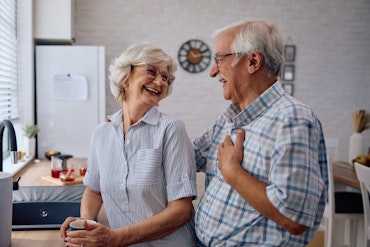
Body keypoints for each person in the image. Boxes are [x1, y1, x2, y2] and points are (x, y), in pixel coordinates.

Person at [194, 19, 328, 246]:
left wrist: (232, 172)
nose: (213, 71)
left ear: (253, 61)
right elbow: (189, 157)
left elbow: (295, 218)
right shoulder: (231, 117)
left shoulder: (292, 118)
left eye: (219, 59)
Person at [60, 42, 197, 247]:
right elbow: (94, 191)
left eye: (165, 77)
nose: (160, 81)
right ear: (125, 77)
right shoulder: (101, 133)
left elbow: (181, 210)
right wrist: (86, 223)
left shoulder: (171, 129)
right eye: (151, 71)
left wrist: (115, 238)